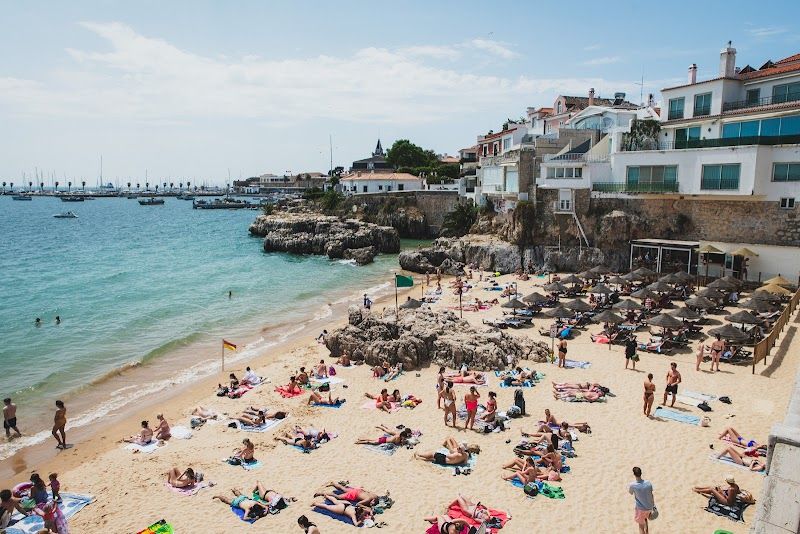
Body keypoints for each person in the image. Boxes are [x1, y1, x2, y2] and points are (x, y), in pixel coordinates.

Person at [414, 437, 479, 466]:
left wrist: (455, 453)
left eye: (459, 448)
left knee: (432, 454)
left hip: (444, 461)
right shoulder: (466, 455)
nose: (458, 448)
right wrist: (458, 462)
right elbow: (465, 463)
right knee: (431, 459)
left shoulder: (456, 454)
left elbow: (447, 456)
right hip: (446, 462)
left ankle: (419, 454)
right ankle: (419, 458)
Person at [628, 466, 655, 534]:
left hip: (640, 508)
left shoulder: (632, 485)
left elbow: (630, 493)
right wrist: (653, 506)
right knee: (645, 519)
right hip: (649, 507)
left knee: (640, 525)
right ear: (641, 473)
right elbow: (651, 494)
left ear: (634, 474)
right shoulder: (648, 483)